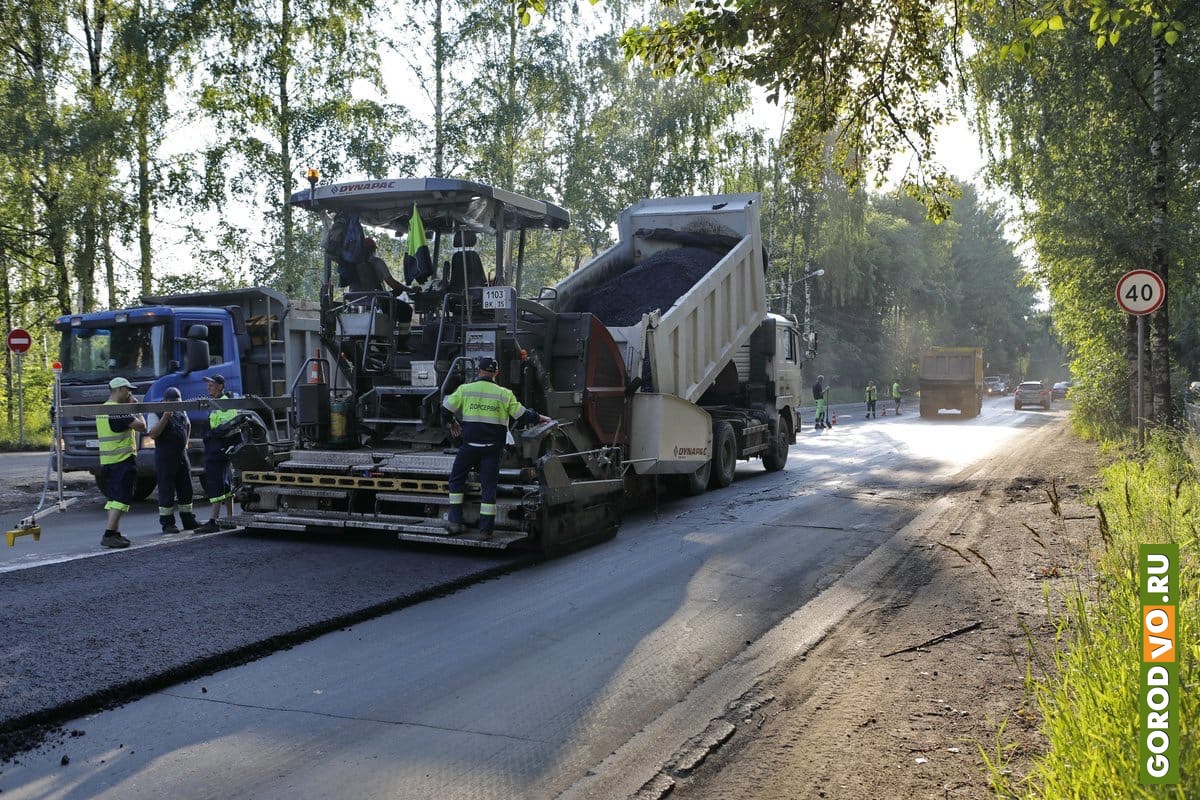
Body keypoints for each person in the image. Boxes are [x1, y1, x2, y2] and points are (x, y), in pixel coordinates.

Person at [441, 357, 551, 538]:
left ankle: (455, 521)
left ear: (478, 371)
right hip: (492, 449)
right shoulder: (504, 394)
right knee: (489, 487)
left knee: (456, 480)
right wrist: (540, 417)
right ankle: (485, 530)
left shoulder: (465, 390)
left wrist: (453, 422)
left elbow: (445, 410)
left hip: (469, 447)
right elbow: (522, 416)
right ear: (496, 373)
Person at [96, 377, 147, 549]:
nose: (130, 394)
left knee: (113, 499)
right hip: (122, 460)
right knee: (122, 498)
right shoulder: (120, 411)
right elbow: (142, 426)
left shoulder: (103, 408)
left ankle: (114, 532)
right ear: (119, 390)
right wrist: (136, 409)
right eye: (128, 390)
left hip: (108, 461)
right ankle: (109, 534)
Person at [148, 386, 198, 533]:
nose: (176, 404)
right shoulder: (155, 412)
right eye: (173, 402)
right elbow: (153, 434)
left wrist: (185, 443)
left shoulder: (181, 410)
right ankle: (167, 523)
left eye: (178, 401)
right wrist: (166, 416)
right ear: (165, 401)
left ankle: (188, 520)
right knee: (166, 490)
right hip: (165, 457)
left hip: (182, 455)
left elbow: (187, 424)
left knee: (186, 488)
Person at [193, 375, 239, 534]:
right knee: (225, 484)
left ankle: (213, 521)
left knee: (216, 484)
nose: (208, 388)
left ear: (220, 386)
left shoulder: (225, 404)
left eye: (211, 385)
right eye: (208, 385)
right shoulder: (218, 403)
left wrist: (211, 434)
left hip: (218, 450)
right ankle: (230, 519)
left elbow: (226, 427)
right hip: (218, 449)